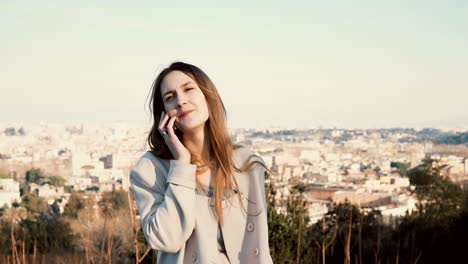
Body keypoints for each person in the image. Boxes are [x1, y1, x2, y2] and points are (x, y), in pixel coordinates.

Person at [129, 61, 274, 263]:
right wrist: (181, 164)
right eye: (170, 98)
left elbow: (259, 247)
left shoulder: (247, 164)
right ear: (163, 115)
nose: (181, 101)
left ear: (208, 96)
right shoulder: (151, 170)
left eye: (188, 89)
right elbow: (166, 239)